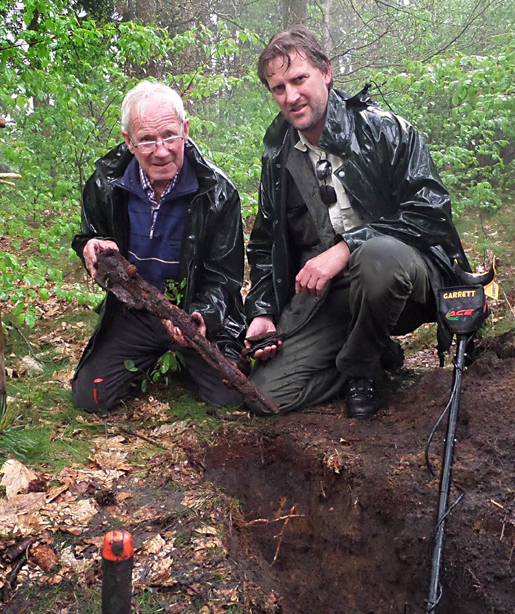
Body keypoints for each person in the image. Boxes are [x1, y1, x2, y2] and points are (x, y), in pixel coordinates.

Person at [244, 28, 471, 418]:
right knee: (264, 396)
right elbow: (265, 243)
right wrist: (262, 311)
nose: (291, 96)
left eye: (299, 80)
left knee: (377, 257)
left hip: (404, 280)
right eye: (278, 88)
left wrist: (346, 248)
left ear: (326, 73)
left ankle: (361, 369)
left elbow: (431, 211)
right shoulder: (277, 155)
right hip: (330, 296)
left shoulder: (384, 129)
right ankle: (371, 348)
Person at [70, 81, 245, 412]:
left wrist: (202, 315)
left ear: (185, 130)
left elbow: (225, 278)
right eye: (147, 139)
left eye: (169, 135)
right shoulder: (105, 183)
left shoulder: (218, 193)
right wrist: (90, 247)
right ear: (129, 141)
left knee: (230, 397)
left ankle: (179, 360)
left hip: (191, 309)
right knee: (91, 398)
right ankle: (150, 358)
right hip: (134, 312)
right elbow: (88, 235)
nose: (161, 150)